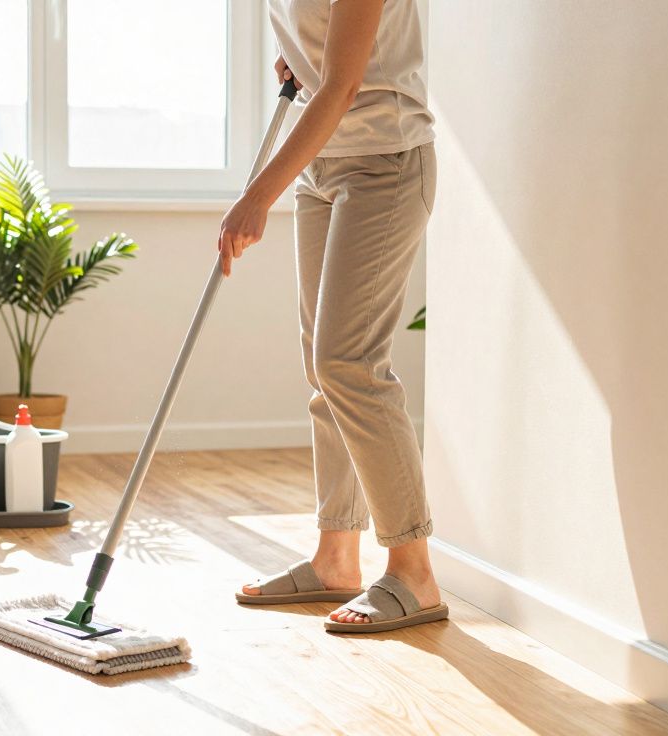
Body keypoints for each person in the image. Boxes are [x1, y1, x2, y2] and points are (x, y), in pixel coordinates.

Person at [224, 0, 447, 632]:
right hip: (321, 168)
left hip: (387, 163)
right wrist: (299, 54)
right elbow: (327, 54)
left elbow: (345, 85)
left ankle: (415, 571)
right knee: (324, 374)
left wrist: (254, 198)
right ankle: (335, 559)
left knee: (349, 364)